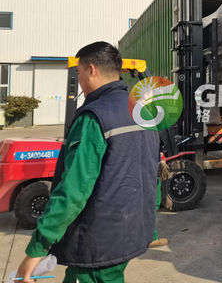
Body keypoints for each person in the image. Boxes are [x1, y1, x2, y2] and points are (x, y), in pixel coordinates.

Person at [16, 42, 160, 283]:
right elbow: (152, 174)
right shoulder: (144, 112)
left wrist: (37, 248)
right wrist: (148, 225)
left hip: (98, 241)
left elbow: (73, 190)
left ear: (91, 70)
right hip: (132, 231)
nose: (80, 80)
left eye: (79, 72)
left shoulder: (93, 117)